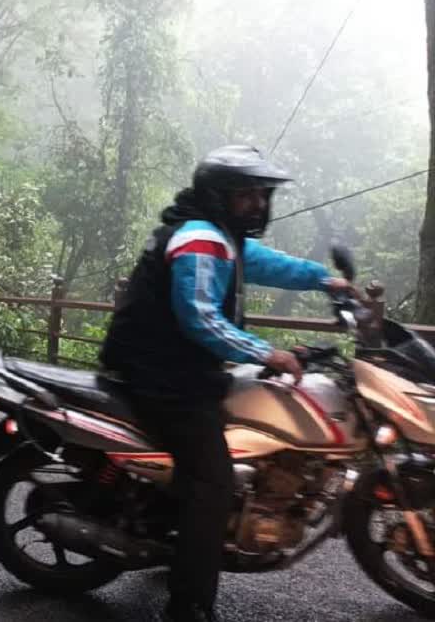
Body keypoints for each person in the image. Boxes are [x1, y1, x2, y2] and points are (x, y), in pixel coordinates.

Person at [99, 145, 357, 622]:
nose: (258, 205)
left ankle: (175, 534)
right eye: (247, 196)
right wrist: (267, 352)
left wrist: (328, 282)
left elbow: (273, 264)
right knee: (212, 478)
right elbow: (199, 317)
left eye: (262, 195)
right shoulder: (199, 238)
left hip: (183, 370)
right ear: (218, 197)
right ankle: (188, 604)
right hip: (160, 376)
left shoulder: (224, 237)